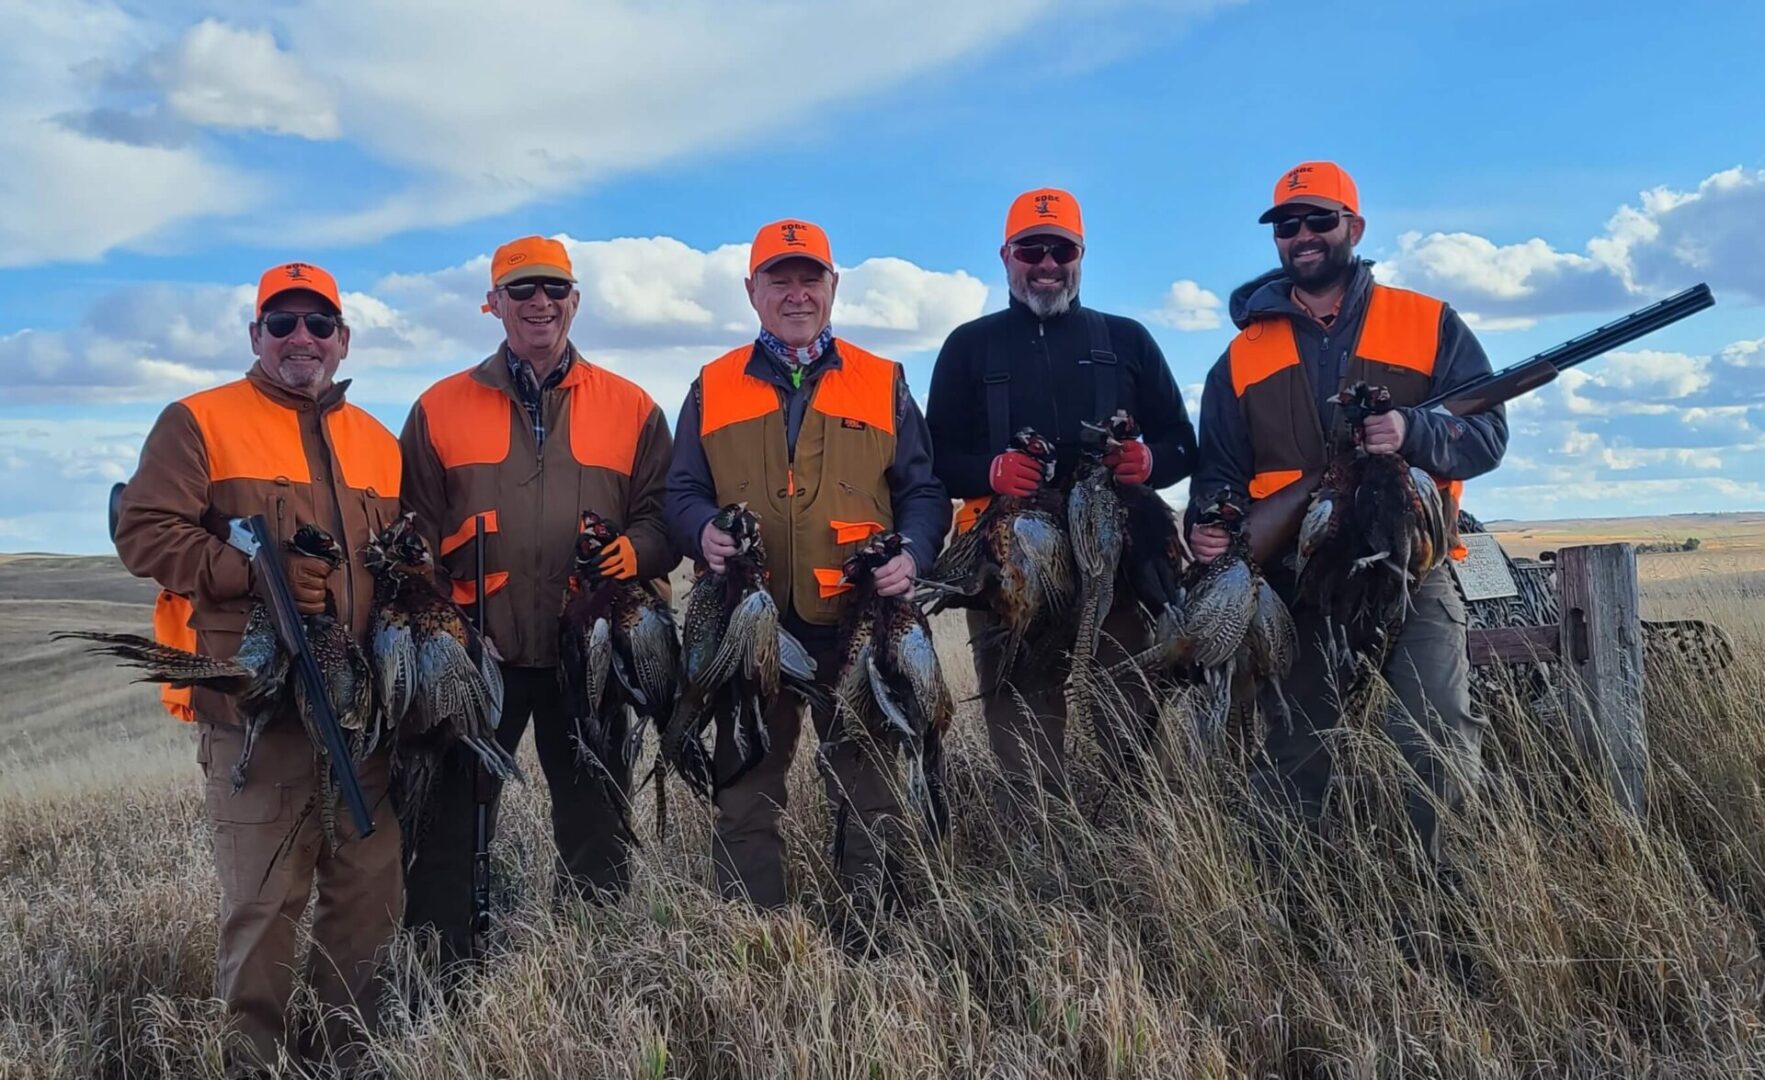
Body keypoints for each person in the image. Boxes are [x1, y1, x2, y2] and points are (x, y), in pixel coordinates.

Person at [113, 262, 403, 1072]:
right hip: (256, 712)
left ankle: (349, 1053)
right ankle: (253, 1062)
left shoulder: (379, 441)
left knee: (367, 901)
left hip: (359, 712)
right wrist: (253, 569)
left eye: (319, 324)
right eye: (283, 323)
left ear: (343, 339)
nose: (301, 338)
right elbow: (144, 533)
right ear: (255, 337)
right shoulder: (199, 421)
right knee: (264, 908)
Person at [1189, 161, 1506, 860]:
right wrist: (1208, 524)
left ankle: (1455, 918)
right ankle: (1285, 913)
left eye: (1318, 219)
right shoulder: (1239, 358)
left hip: (1409, 569)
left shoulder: (1426, 322)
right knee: (1296, 743)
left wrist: (1411, 433)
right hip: (1297, 578)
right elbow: (1217, 471)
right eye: (1285, 225)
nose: (1300, 235)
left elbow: (1488, 436)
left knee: (1436, 728)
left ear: (1353, 227)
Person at [399, 236, 675, 964]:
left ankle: (596, 964)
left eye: (554, 288)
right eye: (520, 290)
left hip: (589, 657)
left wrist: (636, 553)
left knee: (596, 818)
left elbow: (664, 514)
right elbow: (411, 531)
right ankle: (442, 974)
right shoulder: (439, 407)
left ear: (575, 301)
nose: (539, 303)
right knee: (452, 821)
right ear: (492, 304)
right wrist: (446, 624)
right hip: (476, 655)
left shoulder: (633, 407)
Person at [666, 219, 950, 910]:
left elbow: (923, 490)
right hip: (748, 625)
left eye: (809, 277)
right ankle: (754, 937)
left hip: (852, 625)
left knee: (870, 783)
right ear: (751, 290)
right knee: (744, 790)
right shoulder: (711, 385)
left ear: (832, 286)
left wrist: (911, 553)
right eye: (778, 278)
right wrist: (701, 531)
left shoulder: (884, 381)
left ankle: (872, 934)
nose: (796, 294)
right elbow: (679, 492)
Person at [924, 187, 1197, 797]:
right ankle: (1038, 841)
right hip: (1010, 558)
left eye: (1061, 249)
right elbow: (933, 459)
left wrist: (1147, 460)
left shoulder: (1126, 340)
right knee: (1020, 713)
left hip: (1118, 557)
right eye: (1032, 250)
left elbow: (1184, 442)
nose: (1046, 264)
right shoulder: (969, 346)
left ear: (1081, 255)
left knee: (1128, 702)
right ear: (1006, 257)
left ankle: (1131, 832)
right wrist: (990, 474)